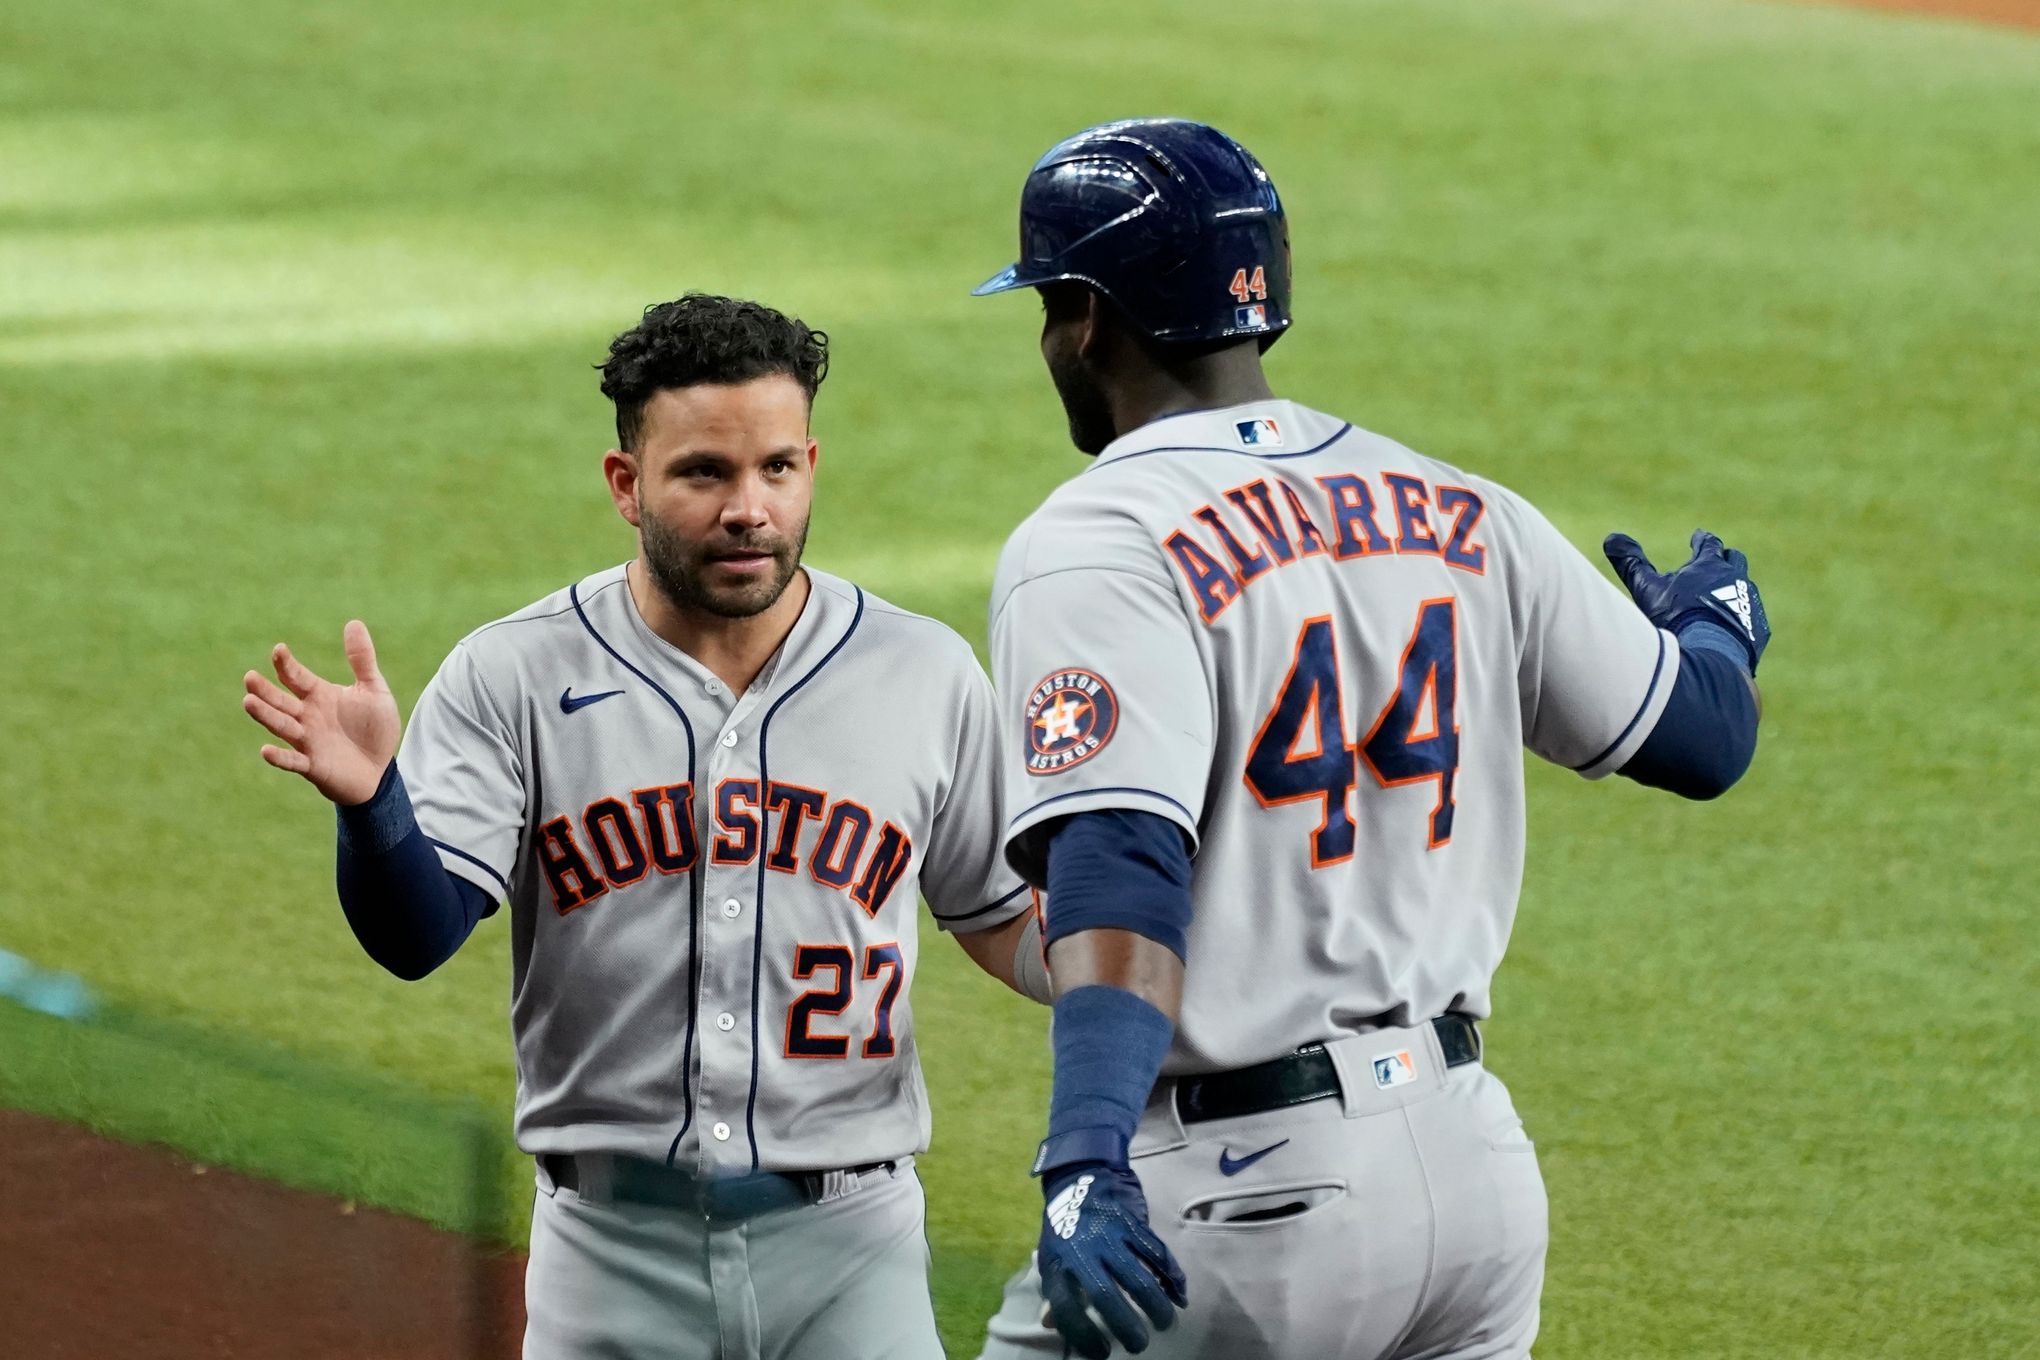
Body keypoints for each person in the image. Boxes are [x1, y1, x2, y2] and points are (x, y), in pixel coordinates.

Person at [967, 120, 1769, 1360]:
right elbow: (1703, 737)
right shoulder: (1463, 506)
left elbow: (1121, 863)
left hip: (1248, 1198)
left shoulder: (1099, 536)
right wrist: (1715, 629)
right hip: (1473, 1177)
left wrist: (1081, 1158)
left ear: (1085, 317)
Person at [239, 293, 1049, 1360]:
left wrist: (1167, 970)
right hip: (609, 1252)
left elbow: (1000, 917)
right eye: (704, 472)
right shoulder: (516, 674)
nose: (748, 508)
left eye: (775, 468)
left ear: (811, 463)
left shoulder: (923, 673)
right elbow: (414, 936)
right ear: (628, 484)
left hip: (854, 1248)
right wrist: (374, 804)